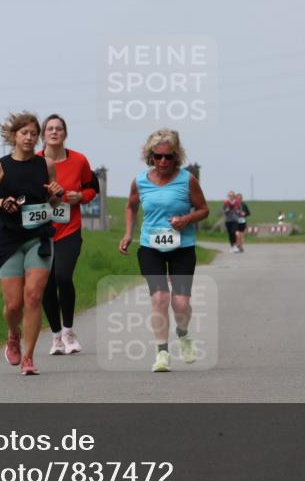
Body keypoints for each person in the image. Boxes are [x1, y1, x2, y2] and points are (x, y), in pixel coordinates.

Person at [0, 112, 63, 376]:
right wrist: (1, 202)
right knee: (14, 304)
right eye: (24, 133)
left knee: (34, 296)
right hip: (9, 240)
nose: (29, 138)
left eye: (33, 133)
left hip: (39, 238)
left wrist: (56, 196)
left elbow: (52, 205)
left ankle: (28, 357)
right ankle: (13, 334)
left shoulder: (46, 165)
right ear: (14, 136)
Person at [119, 128, 209, 373]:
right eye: (157, 156)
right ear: (150, 156)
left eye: (168, 157)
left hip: (182, 246)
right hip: (151, 246)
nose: (162, 162)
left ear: (176, 156)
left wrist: (187, 219)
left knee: (180, 304)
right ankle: (162, 354)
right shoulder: (140, 181)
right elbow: (130, 207)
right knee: (160, 298)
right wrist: (128, 233)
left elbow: (204, 209)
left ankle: (183, 333)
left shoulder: (187, 180)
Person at [38, 114, 98, 355]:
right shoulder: (34, 161)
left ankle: (69, 331)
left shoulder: (79, 160)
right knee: (46, 284)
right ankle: (55, 337)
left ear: (65, 134)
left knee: (63, 277)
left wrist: (81, 197)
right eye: (50, 129)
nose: (54, 132)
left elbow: (93, 187)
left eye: (59, 129)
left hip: (69, 229)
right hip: (41, 230)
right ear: (43, 134)